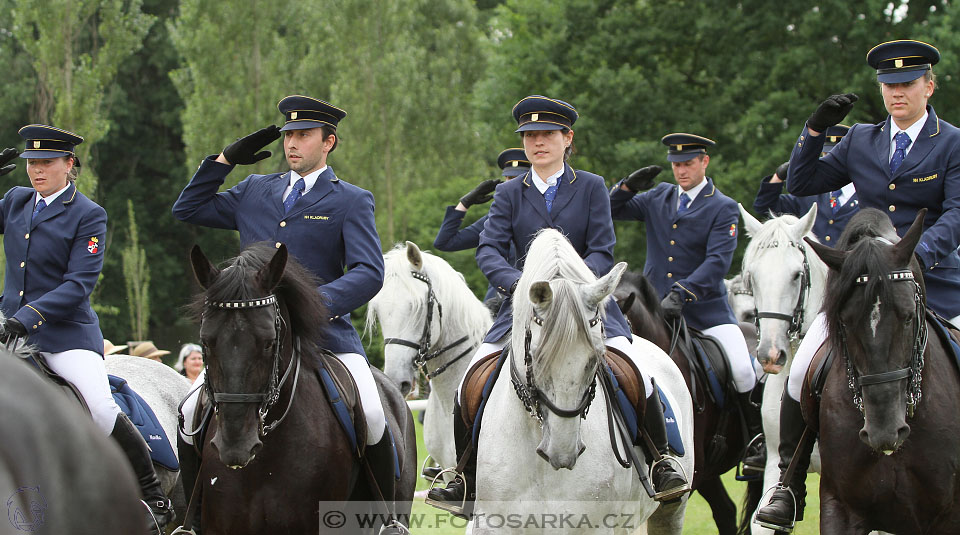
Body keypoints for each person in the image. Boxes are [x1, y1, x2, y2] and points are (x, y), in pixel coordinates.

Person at [426, 96, 689, 517]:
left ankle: (660, 460)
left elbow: (603, 248)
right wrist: (522, 286)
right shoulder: (511, 192)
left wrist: (578, 289)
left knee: (636, 367)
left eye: (547, 134)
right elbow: (489, 250)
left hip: (586, 306)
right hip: (525, 308)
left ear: (568, 138)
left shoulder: (591, 186)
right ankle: (463, 476)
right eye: (530, 136)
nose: (537, 142)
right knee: (470, 380)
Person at [757, 39, 960, 530]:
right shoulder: (862, 140)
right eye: (888, 85)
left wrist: (911, 258)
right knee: (803, 364)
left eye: (907, 84)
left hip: (936, 281)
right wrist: (814, 129)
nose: (896, 92)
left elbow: (957, 212)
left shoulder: (952, 142)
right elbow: (802, 183)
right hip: (862, 289)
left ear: (928, 87)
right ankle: (787, 482)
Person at [172, 94, 387, 527]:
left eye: (303, 135)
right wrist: (225, 160)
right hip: (248, 336)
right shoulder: (254, 190)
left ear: (329, 142)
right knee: (191, 410)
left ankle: (384, 515)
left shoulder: (351, 200)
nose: (292, 144)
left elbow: (368, 271)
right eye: (288, 135)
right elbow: (188, 208)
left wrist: (313, 306)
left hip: (324, 335)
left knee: (375, 413)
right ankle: (191, 516)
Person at [0, 126, 174, 533]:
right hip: (8, 326)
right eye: (31, 163)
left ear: (69, 164)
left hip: (63, 334)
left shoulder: (88, 214)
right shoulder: (15, 201)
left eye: (45, 163)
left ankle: (154, 496)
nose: (36, 171)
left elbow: (78, 284)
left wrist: (25, 318)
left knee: (98, 406)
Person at [609, 134, 763, 474]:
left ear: (704, 162)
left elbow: (717, 262)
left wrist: (684, 291)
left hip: (705, 313)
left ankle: (757, 443)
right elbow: (610, 209)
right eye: (676, 164)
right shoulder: (659, 196)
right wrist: (626, 187)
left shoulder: (722, 207)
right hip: (654, 311)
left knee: (741, 367)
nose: (681, 170)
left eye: (688, 164)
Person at [433, 148, 527, 310]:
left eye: (516, 178)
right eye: (508, 178)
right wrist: (465, 203)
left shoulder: (547, 213)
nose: (511, 184)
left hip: (534, 303)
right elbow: (445, 242)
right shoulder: (496, 219)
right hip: (497, 306)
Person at [753, 125, 859, 245]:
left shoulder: (866, 193)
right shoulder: (810, 194)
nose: (830, 161)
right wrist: (779, 176)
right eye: (825, 155)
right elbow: (764, 206)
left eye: (836, 157)